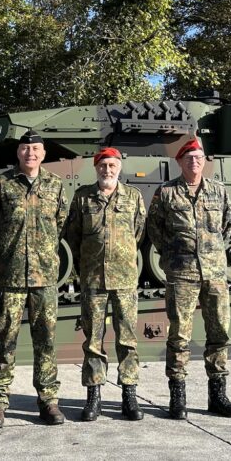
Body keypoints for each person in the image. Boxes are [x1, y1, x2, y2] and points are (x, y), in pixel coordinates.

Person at [146, 138, 231, 420]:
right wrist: (174, 255)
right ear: (179, 162)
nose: (194, 162)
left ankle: (218, 395)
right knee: (179, 335)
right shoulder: (166, 193)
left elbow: (227, 226)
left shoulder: (219, 192)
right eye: (189, 158)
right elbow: (154, 229)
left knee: (219, 334)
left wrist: (211, 253)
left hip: (214, 273)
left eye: (198, 158)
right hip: (182, 273)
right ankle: (178, 396)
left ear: (204, 161)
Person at [0, 129, 68, 428]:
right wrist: (6, 256)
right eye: (25, 148)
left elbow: (61, 226)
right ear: (18, 153)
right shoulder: (1, 184)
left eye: (36, 149)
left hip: (44, 277)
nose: (30, 153)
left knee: (46, 341)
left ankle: (48, 400)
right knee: (5, 339)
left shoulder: (56, 185)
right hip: (10, 277)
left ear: (43, 154)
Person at [63, 147, 146, 421]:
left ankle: (129, 395)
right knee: (93, 341)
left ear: (119, 167)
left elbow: (139, 233)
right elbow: (72, 236)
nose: (107, 170)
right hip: (93, 279)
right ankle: (94, 396)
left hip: (124, 279)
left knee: (127, 339)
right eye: (102, 165)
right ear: (95, 168)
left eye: (112, 165)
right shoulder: (83, 197)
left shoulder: (133, 197)